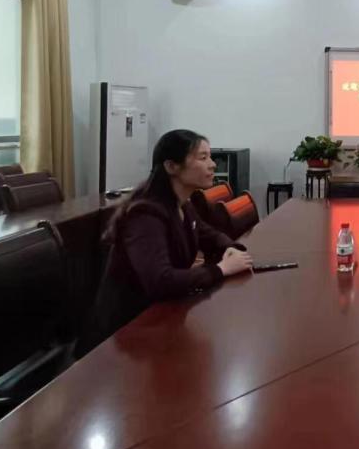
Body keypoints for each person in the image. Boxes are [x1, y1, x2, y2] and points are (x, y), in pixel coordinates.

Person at [76, 129, 254, 356]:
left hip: (158, 317)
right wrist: (221, 269)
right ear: (171, 166)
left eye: (210, 157)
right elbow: (161, 280)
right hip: (123, 338)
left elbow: (209, 234)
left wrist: (230, 248)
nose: (212, 165)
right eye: (203, 158)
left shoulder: (182, 204)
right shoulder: (145, 215)